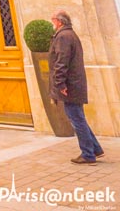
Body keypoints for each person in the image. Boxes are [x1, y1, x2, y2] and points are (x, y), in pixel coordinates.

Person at [49, 10, 104, 165]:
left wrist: (60, 83)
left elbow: (62, 61)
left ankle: (88, 154)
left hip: (70, 84)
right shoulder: (69, 35)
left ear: (59, 22)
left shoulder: (63, 37)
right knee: (78, 117)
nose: (52, 24)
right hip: (74, 82)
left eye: (53, 20)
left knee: (76, 119)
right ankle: (95, 149)